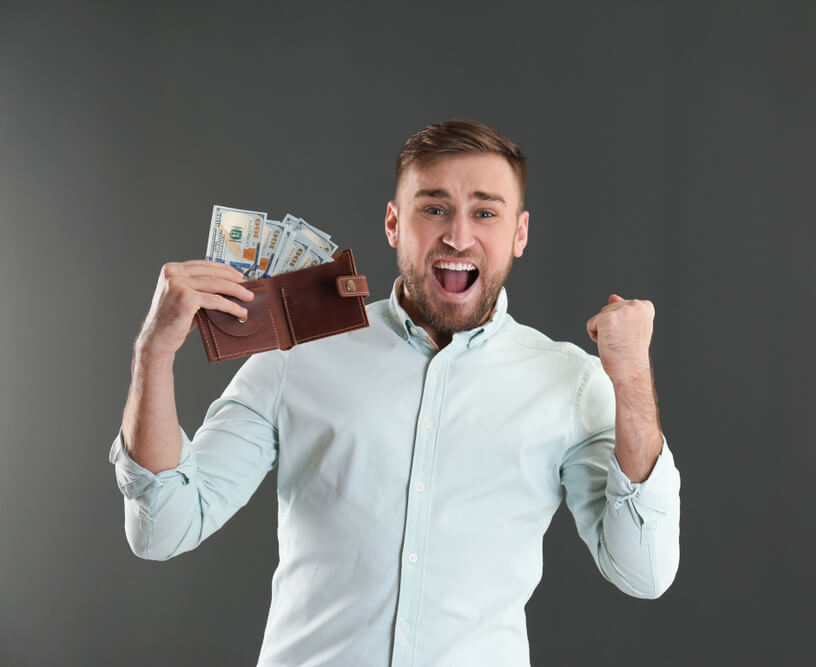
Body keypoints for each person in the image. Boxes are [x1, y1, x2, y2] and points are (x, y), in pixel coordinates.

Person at [109, 120, 681, 666]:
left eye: (485, 211)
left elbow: (643, 570)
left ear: (519, 234)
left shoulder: (570, 383)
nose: (458, 234)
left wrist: (630, 379)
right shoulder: (295, 354)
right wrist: (152, 354)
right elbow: (164, 529)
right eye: (434, 208)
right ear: (392, 224)